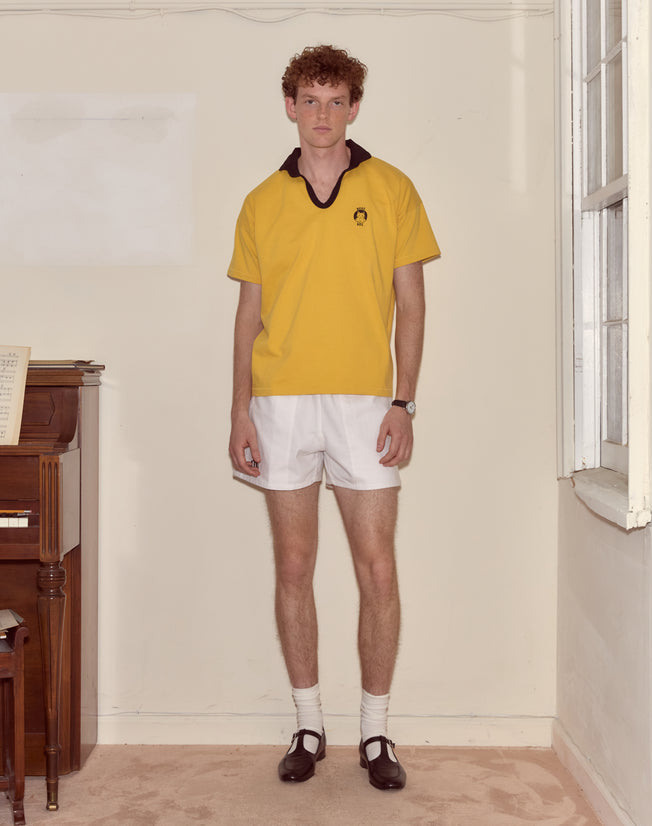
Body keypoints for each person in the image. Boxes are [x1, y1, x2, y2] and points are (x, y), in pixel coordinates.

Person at [228, 44, 440, 790]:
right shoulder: (261, 201)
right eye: (310, 101)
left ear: (354, 107)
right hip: (279, 404)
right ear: (291, 106)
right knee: (294, 566)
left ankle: (375, 733)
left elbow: (411, 304)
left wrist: (403, 401)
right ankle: (308, 724)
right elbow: (247, 314)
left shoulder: (393, 189)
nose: (322, 114)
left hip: (364, 404)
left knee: (377, 567)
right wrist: (240, 410)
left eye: (336, 100)